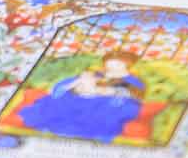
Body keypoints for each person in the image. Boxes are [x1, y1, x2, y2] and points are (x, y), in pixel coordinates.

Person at [16, 49, 146, 143]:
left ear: (127, 64)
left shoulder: (132, 80)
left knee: (99, 113)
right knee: (59, 102)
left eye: (117, 64)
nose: (112, 67)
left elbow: (132, 94)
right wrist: (76, 85)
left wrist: (102, 91)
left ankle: (80, 133)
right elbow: (70, 84)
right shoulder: (97, 74)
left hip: (110, 103)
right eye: (109, 63)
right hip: (82, 97)